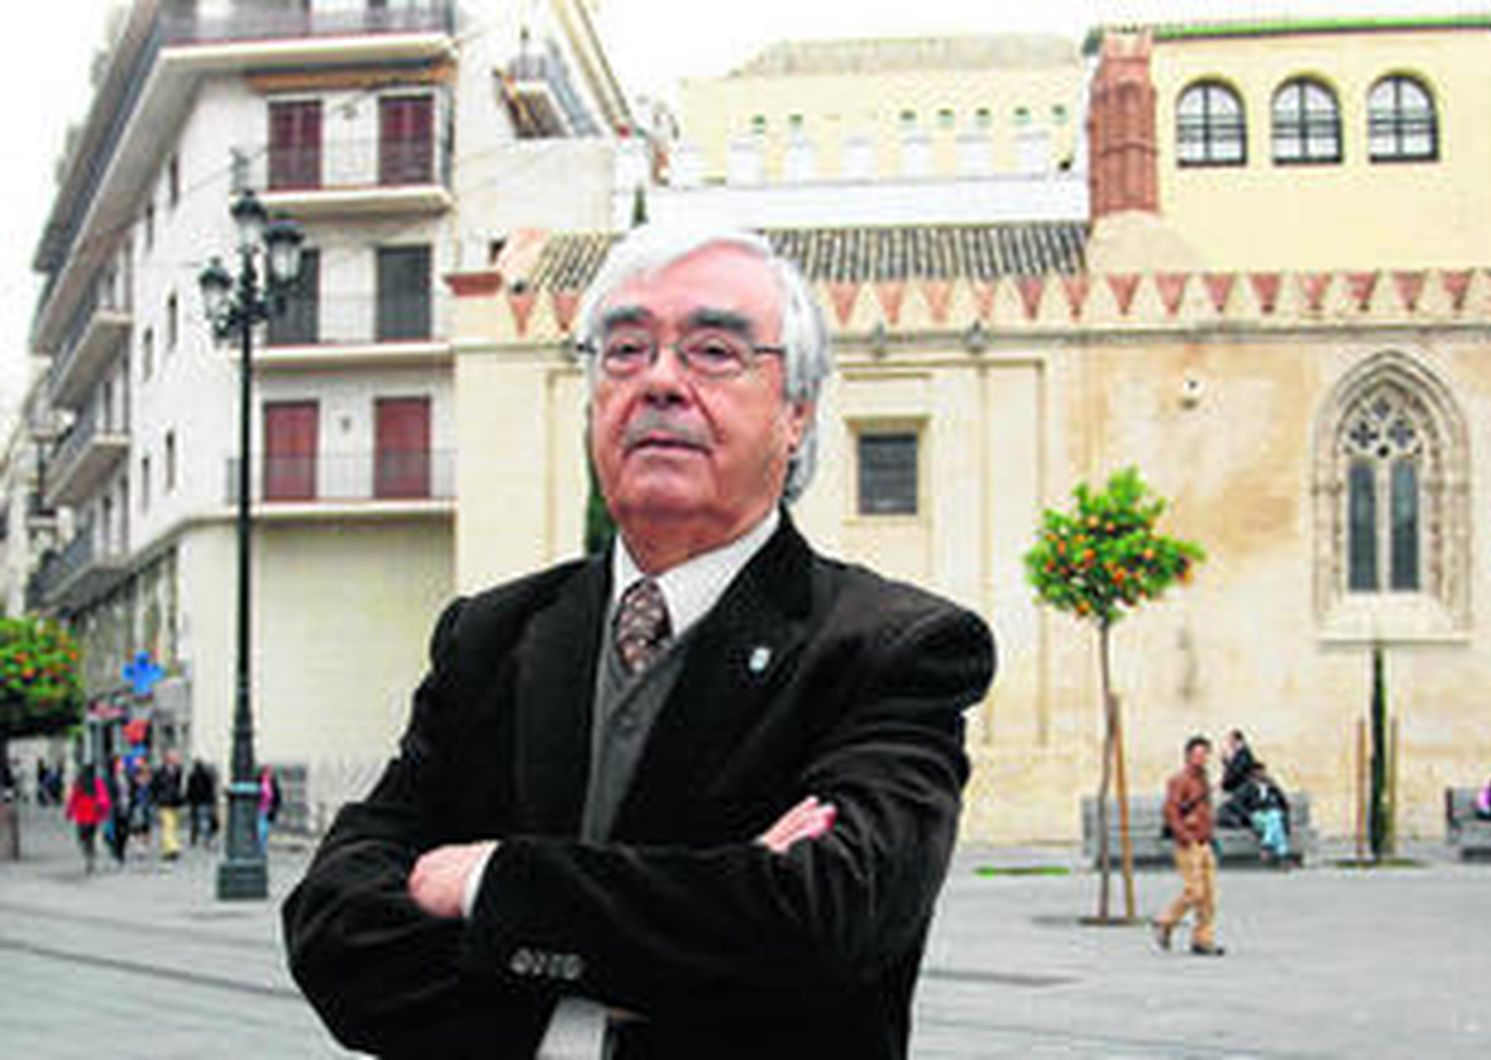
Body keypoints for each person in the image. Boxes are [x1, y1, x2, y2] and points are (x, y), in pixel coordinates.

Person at [283, 223, 997, 1059]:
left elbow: (821, 922)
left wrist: (487, 881)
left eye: (714, 352)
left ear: (797, 414)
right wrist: (593, 1021)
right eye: (624, 349)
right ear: (592, 402)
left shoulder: (892, 650)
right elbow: (333, 925)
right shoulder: (491, 638)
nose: (659, 380)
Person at [1154, 735, 1225, 956]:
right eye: (1197, 754)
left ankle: (1202, 940)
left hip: (1205, 842)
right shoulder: (1179, 780)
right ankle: (1165, 921)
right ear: (1187, 756)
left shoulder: (1204, 780)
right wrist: (1183, 835)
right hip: (1189, 843)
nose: (1201, 758)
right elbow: (1170, 811)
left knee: (1209, 898)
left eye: (1205, 754)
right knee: (1195, 892)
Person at [1230, 762, 1292, 865]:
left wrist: (1275, 788)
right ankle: (1281, 855)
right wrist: (1247, 815)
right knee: (1275, 821)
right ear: (1252, 774)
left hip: (1270, 816)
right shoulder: (1246, 788)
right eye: (1257, 772)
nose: (1261, 775)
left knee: (1275, 818)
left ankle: (1269, 846)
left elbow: (1284, 804)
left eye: (1262, 772)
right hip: (1256, 816)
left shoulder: (1271, 787)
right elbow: (1236, 804)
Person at [64, 767, 110, 875]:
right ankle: (90, 854)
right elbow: (104, 797)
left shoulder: (79, 782)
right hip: (93, 815)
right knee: (90, 836)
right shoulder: (97, 782)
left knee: (81, 837)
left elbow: (73, 798)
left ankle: (88, 853)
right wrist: (104, 812)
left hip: (82, 815)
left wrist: (69, 813)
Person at [152, 749, 185, 861]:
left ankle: (171, 847)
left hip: (175, 802)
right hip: (164, 802)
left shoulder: (178, 770)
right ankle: (170, 849)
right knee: (168, 825)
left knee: (173, 825)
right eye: (175, 757)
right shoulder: (160, 771)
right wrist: (157, 799)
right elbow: (155, 786)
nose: (177, 759)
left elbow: (178, 786)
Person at [105, 755, 132, 867]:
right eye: (120, 763)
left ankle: (120, 851)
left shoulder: (127, 777)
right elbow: (108, 794)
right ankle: (117, 854)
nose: (123, 765)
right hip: (115, 808)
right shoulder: (109, 779)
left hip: (126, 807)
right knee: (116, 831)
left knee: (125, 832)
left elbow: (132, 789)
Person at [186, 756, 218, 848]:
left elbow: (190, 790)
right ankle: (206, 838)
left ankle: (197, 838)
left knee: (198, 821)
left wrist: (188, 799)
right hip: (206, 801)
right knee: (205, 820)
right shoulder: (207, 775)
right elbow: (211, 788)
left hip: (197, 801)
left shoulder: (192, 775)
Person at [1219, 728, 1257, 796]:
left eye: (1230, 740)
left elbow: (1237, 771)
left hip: (1237, 790)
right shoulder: (1238, 753)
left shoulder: (1243, 754)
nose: (1229, 743)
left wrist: (1226, 761)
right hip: (1235, 789)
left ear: (1237, 740)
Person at [257, 764, 281, 852]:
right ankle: (259, 849)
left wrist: (274, 809)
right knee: (260, 831)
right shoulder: (258, 781)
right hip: (257, 810)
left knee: (264, 832)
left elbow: (277, 797)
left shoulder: (273, 783)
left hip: (267, 810)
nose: (270, 774)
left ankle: (262, 850)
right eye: (268, 772)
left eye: (271, 772)